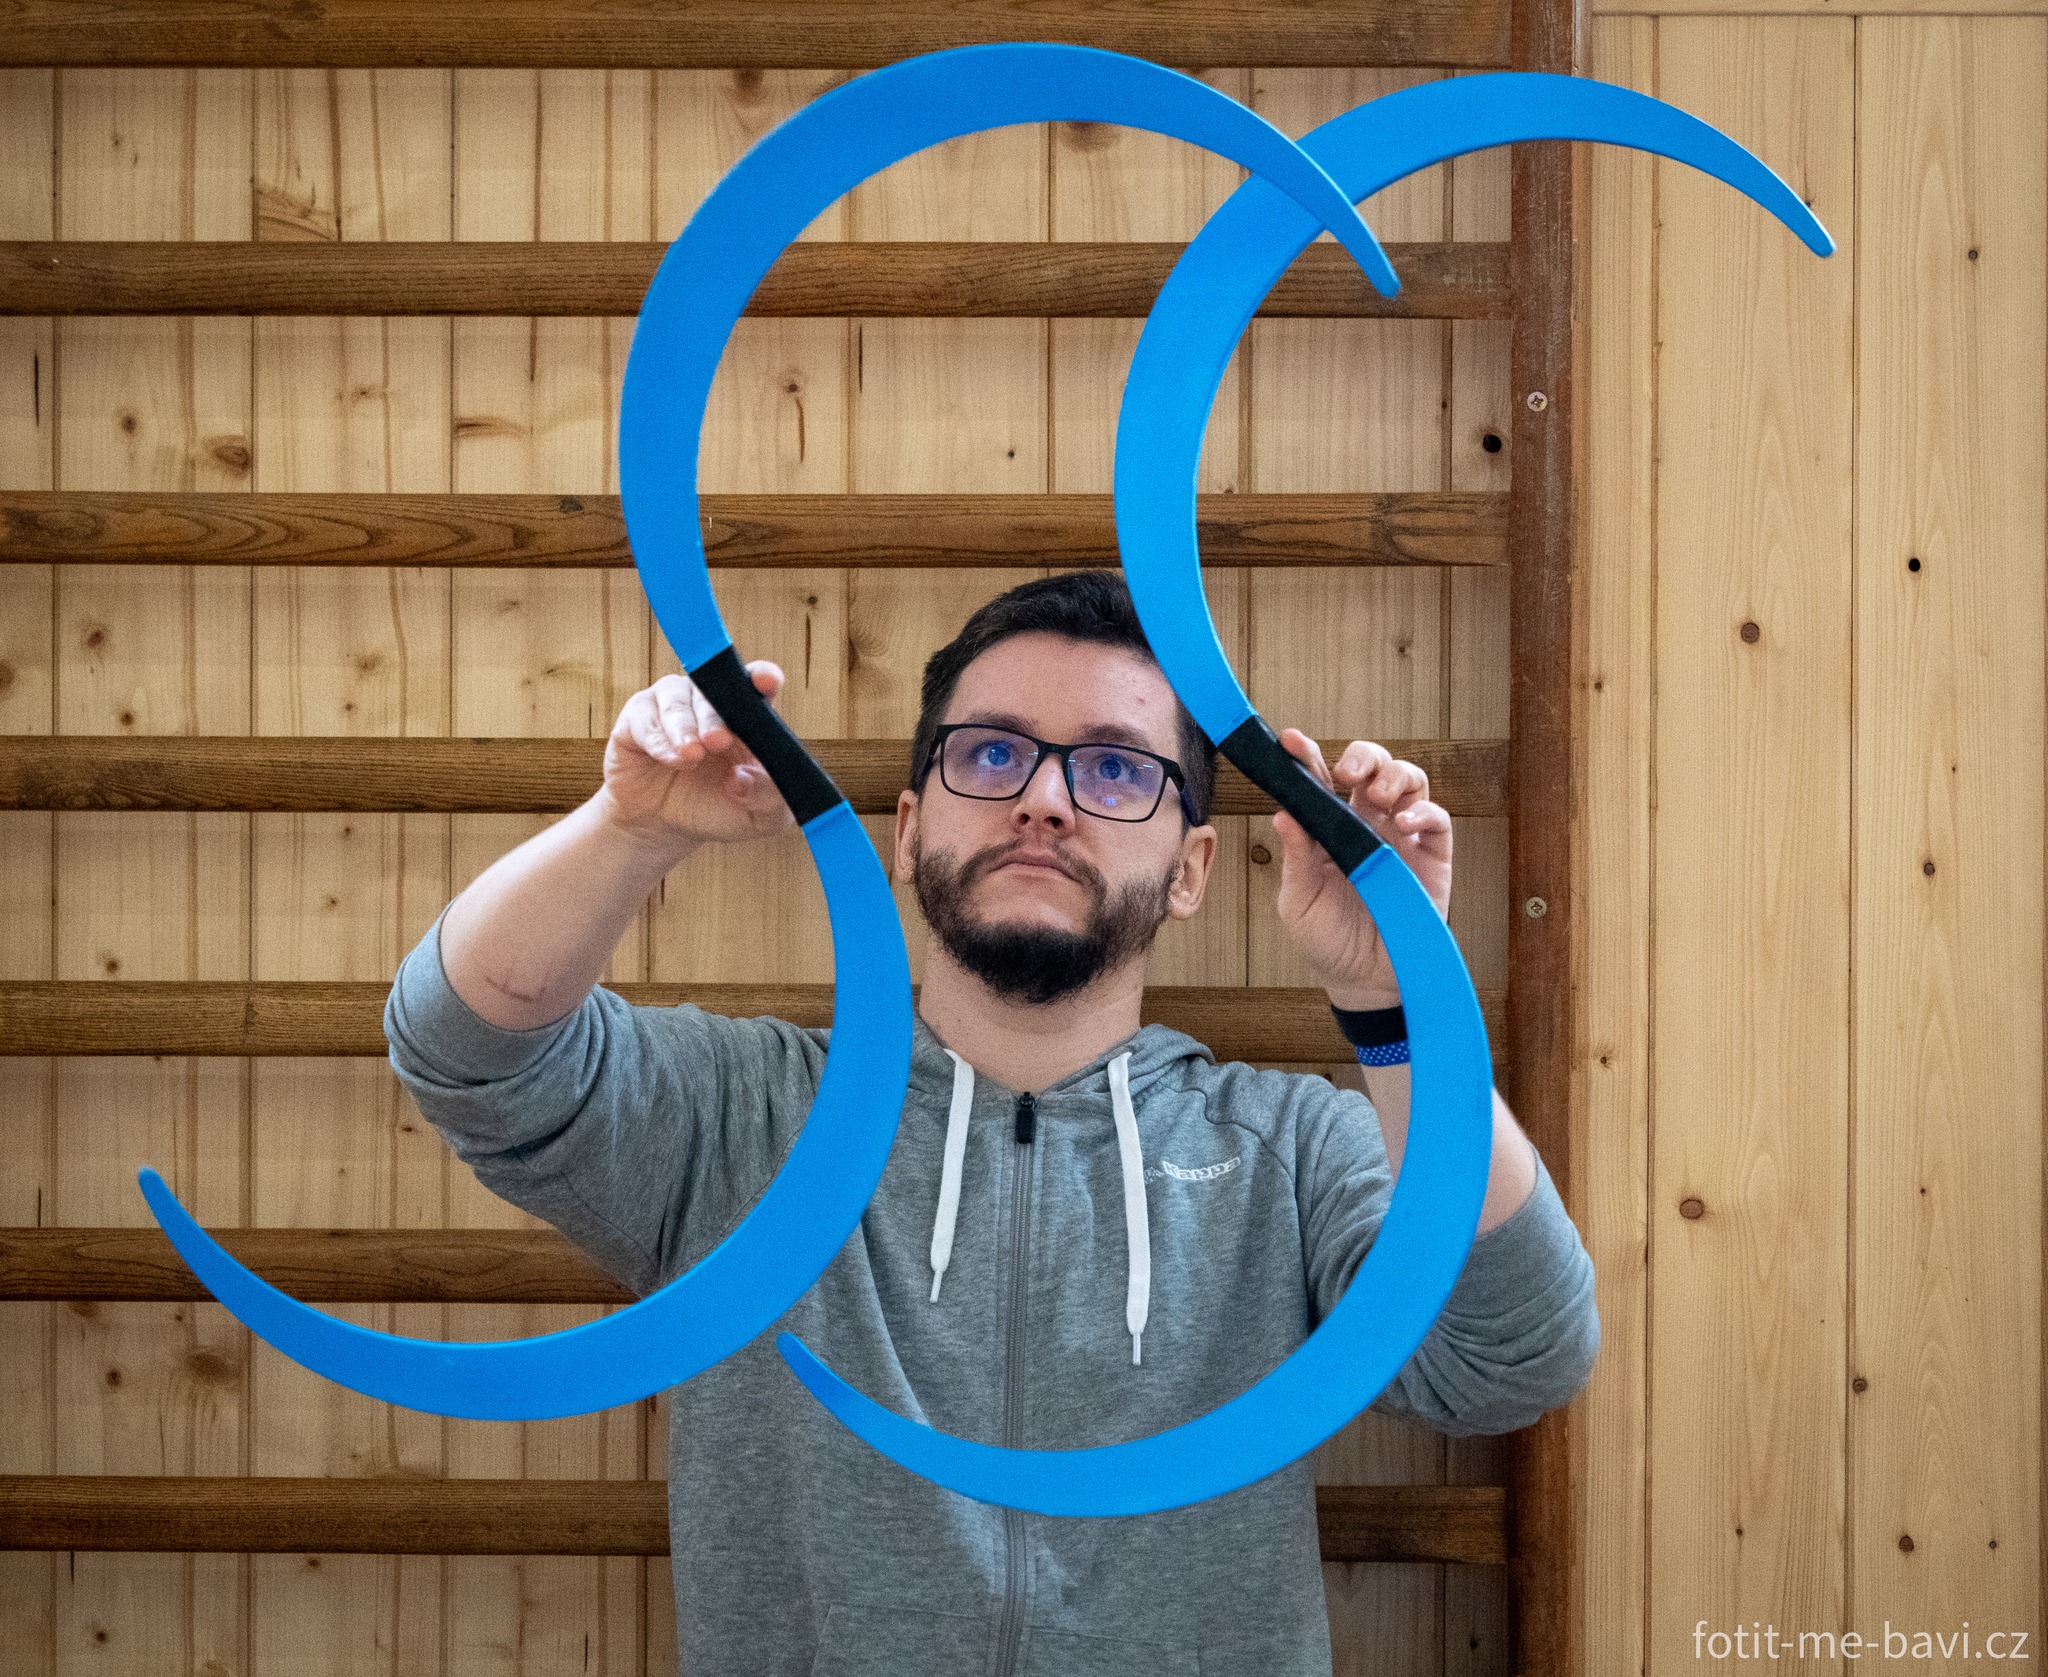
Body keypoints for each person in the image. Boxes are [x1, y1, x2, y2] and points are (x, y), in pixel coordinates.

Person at [385, 570, 1599, 1676]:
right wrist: (630, 829)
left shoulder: (1286, 1152)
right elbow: (462, 1046)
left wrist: (1397, 993)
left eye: (1116, 769)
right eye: (993, 755)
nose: (1046, 802)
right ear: (911, 829)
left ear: (1188, 872)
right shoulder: (746, 1118)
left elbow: (1514, 1356)